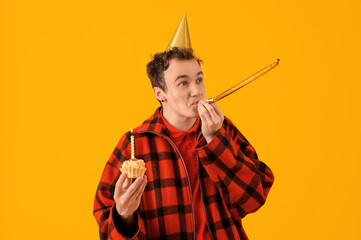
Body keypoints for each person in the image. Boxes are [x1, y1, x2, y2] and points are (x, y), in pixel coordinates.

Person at [93, 16, 274, 240]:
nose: (197, 91)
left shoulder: (221, 129)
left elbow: (254, 198)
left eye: (199, 80)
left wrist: (215, 141)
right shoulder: (134, 143)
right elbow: (106, 226)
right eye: (183, 83)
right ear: (160, 94)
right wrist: (124, 214)